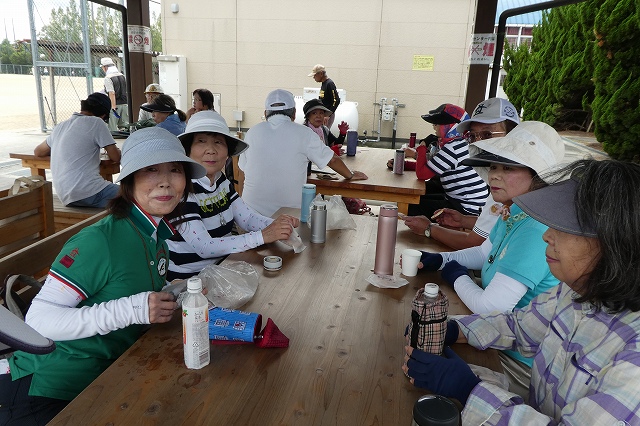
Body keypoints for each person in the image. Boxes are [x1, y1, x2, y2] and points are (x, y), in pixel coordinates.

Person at [403, 159, 640, 425]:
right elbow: (519, 326)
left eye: (564, 227)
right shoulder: (577, 293)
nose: (547, 236)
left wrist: (468, 391)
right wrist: (455, 329)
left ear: (616, 241)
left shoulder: (634, 355)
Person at [1, 127, 207, 425]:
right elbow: (38, 322)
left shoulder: (156, 235)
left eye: (175, 169)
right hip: (48, 388)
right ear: (129, 179)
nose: (165, 181)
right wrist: (135, 309)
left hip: (108, 376)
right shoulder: (99, 241)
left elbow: (128, 287)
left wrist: (174, 291)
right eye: (151, 169)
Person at [412, 121, 565, 397]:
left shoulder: (535, 229)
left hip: (521, 364)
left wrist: (456, 275)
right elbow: (485, 253)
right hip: (496, 337)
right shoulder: (514, 211)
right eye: (494, 166)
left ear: (538, 176)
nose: (495, 175)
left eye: (508, 168)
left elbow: (490, 307)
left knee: (418, 370)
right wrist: (441, 260)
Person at [167, 111, 300, 280]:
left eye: (218, 142)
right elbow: (205, 247)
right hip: (189, 282)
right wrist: (262, 236)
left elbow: (247, 218)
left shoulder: (221, 180)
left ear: (228, 152)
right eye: (201, 141)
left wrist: (277, 225)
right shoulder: (182, 190)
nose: (211, 150)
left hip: (222, 269)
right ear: (188, 149)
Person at [403, 98, 520, 249]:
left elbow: (474, 244)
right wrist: (463, 220)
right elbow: (489, 228)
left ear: (514, 135)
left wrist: (428, 229)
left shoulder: (513, 187)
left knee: (411, 206)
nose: (478, 143)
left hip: (464, 205)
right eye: (472, 136)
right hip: (468, 208)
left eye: (487, 134)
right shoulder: (497, 186)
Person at [238, 89, 367, 217]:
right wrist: (350, 175)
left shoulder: (251, 133)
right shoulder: (304, 133)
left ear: (266, 113)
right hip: (289, 218)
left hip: (251, 216)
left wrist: (240, 209)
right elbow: (332, 159)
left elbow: (242, 173)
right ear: (294, 113)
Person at [33, 92, 121, 208]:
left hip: (65, 196)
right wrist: (118, 151)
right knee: (137, 195)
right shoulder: (97, 122)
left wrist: (63, 150)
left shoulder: (61, 126)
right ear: (103, 115)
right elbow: (116, 157)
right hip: (89, 192)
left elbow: (38, 152)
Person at [403, 103, 489, 218]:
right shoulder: (461, 142)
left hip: (466, 208)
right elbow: (434, 167)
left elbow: (422, 174)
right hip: (467, 202)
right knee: (414, 198)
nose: (434, 127)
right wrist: (406, 165)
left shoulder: (452, 147)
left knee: (409, 205)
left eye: (437, 123)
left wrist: (422, 147)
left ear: (452, 126)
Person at [100, 57, 128, 131]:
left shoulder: (108, 78)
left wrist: (113, 107)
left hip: (115, 105)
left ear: (105, 67)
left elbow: (112, 93)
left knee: (112, 129)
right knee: (125, 127)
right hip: (125, 104)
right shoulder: (122, 76)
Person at [308, 64, 340, 128]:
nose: (314, 77)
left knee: (324, 132)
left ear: (321, 74)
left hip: (327, 115)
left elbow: (336, 100)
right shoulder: (324, 83)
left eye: (315, 75)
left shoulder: (329, 84)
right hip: (323, 113)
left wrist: (328, 115)